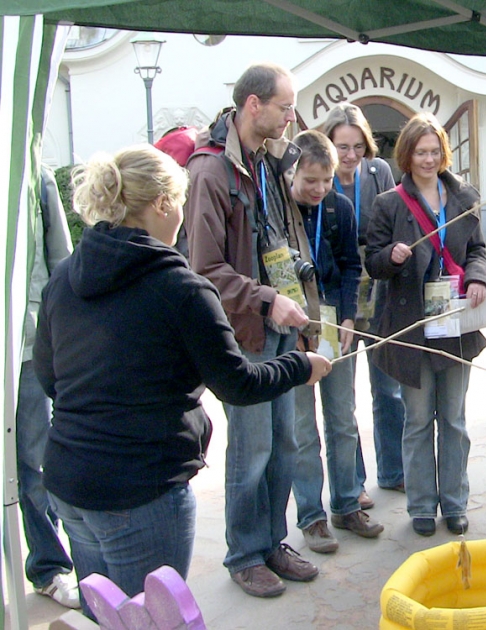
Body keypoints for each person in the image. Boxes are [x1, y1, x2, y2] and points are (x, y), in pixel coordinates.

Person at [32, 145, 331, 617]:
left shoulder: (65, 277)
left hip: (70, 481)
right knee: (150, 618)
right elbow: (237, 384)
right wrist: (301, 366)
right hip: (141, 491)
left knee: (106, 614)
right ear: (163, 204)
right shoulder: (181, 288)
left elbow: (51, 378)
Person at [185, 62, 324, 598]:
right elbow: (205, 270)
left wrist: (300, 307)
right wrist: (268, 300)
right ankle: (244, 554)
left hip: (283, 325)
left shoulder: (269, 162)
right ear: (253, 106)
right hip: (246, 335)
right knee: (252, 452)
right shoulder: (209, 172)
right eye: (285, 107)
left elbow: (289, 243)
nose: (293, 117)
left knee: (284, 445)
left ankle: (271, 543)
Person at [365, 112, 486, 537]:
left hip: (455, 320)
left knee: (453, 418)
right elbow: (373, 262)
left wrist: (477, 278)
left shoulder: (463, 196)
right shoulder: (389, 204)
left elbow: (477, 250)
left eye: (435, 151)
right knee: (417, 419)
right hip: (411, 325)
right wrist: (391, 257)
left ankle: (454, 502)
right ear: (407, 154)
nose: (428, 158)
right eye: (421, 152)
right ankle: (420, 505)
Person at [289, 130, 384, 554]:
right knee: (302, 428)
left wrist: (348, 315)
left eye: (325, 181)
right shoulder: (279, 208)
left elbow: (350, 265)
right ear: (292, 173)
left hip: (333, 322)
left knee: (342, 417)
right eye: (310, 180)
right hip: (293, 326)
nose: (319, 189)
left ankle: (347, 504)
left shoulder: (340, 207)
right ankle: (311, 516)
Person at [323, 102, 406, 505]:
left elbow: (389, 225)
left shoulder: (380, 173)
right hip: (338, 292)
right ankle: (352, 483)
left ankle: (393, 470)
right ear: (328, 145)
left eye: (357, 146)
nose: (350, 155)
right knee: (342, 396)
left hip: (378, 289)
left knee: (387, 388)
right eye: (342, 146)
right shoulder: (320, 178)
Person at [17, 165, 77, 609]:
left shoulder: (31, 168)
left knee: (36, 460)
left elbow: (60, 258)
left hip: (24, 341)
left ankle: (49, 565)